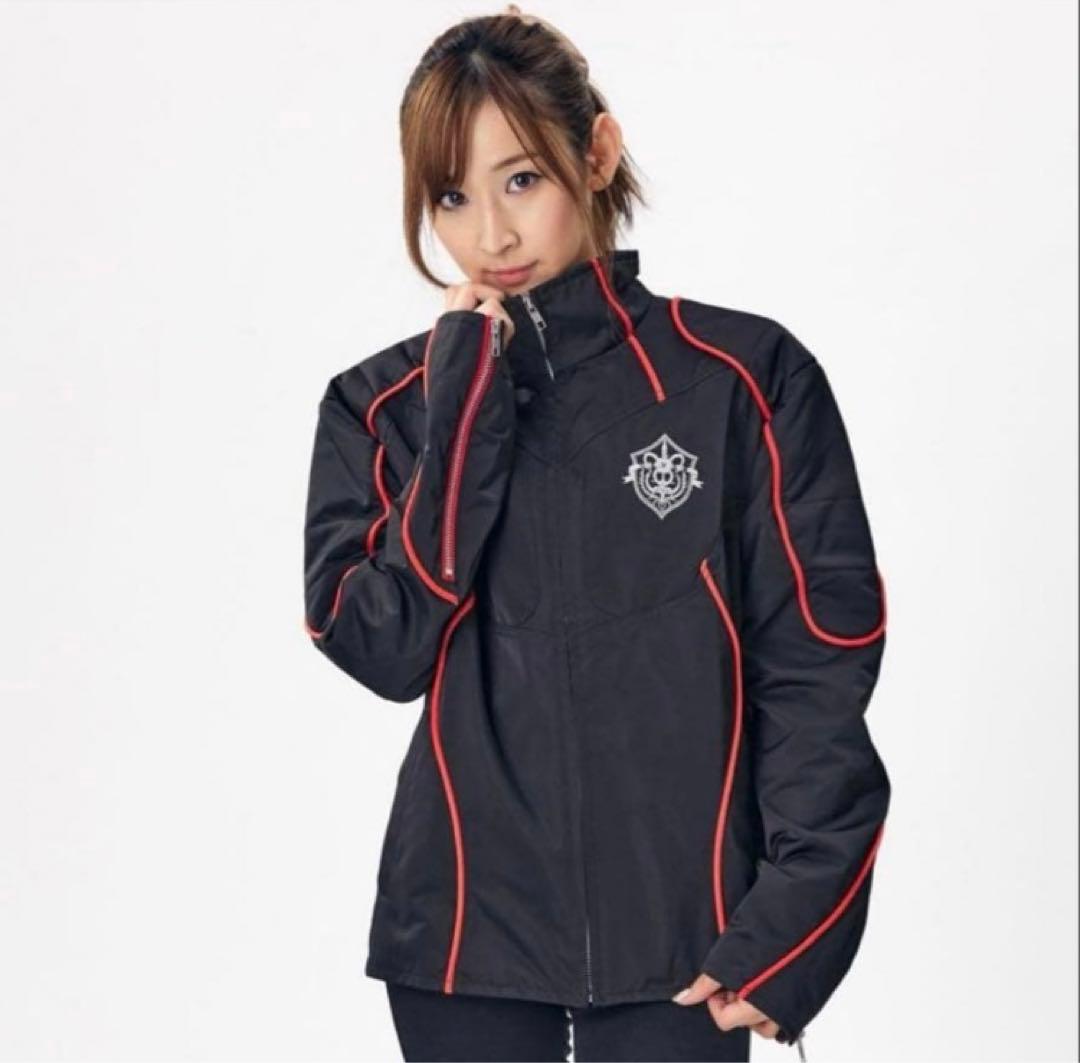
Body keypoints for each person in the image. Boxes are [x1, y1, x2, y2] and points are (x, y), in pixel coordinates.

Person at [301, 6, 891, 1061]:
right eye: (451, 196)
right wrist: (464, 408)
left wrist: (794, 922)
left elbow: (817, 661)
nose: (491, 235)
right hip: (459, 945)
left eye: (521, 179)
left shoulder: (744, 380)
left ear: (599, 151)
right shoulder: (381, 407)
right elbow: (381, 646)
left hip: (689, 941)